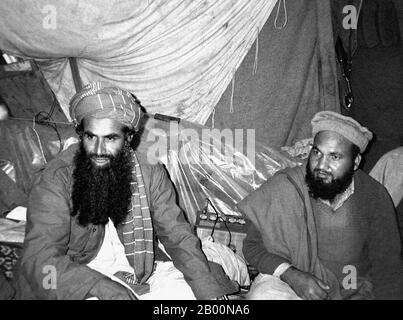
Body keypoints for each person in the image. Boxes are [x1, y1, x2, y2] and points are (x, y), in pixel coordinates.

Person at [13, 82, 233, 300]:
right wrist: (99, 286)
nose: (99, 150)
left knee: (192, 292)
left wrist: (207, 293)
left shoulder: (150, 171)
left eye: (110, 138)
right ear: (81, 135)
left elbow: (177, 234)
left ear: (128, 138)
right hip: (78, 274)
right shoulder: (55, 179)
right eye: (91, 137)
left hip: (139, 267)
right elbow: (40, 258)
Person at [238, 111, 403, 300]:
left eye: (334, 157)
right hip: (288, 284)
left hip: (352, 289)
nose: (321, 166)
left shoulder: (373, 196)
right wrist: (292, 274)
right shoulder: (286, 187)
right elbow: (252, 246)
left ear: (355, 162)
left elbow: (388, 267)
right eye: (317, 153)